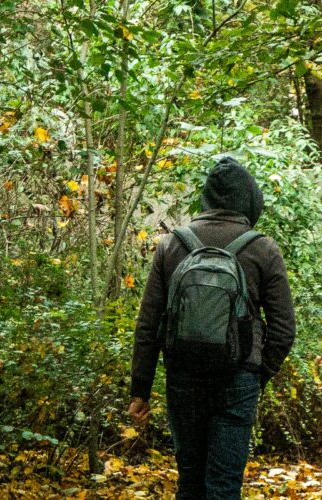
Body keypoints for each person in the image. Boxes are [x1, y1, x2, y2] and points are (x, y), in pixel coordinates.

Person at [127, 157, 297, 499]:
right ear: (249, 199)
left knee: (190, 481)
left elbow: (148, 325)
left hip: (183, 376)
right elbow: (284, 328)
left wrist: (140, 390)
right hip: (238, 378)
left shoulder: (172, 245)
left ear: (206, 197)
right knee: (224, 485)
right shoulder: (262, 248)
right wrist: (256, 374)